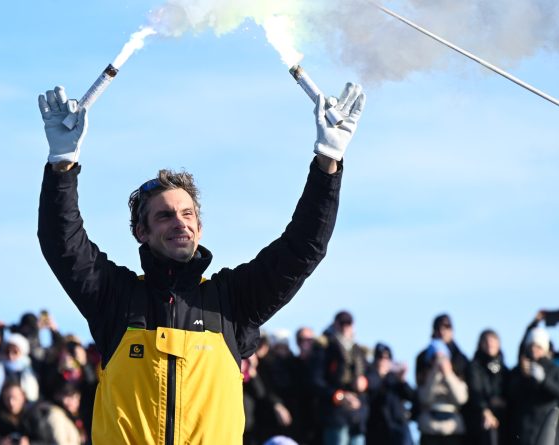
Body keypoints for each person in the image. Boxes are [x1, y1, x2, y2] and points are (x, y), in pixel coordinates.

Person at [37, 77, 365, 445]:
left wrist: (327, 165)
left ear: (200, 227)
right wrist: (61, 167)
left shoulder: (232, 302)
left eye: (188, 214)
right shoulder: (116, 298)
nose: (179, 222)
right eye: (164, 216)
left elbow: (303, 247)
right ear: (140, 232)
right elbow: (62, 243)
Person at [311, 311, 369, 445]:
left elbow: (369, 376)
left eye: (348, 324)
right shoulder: (325, 347)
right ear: (335, 324)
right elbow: (315, 380)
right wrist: (338, 396)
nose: (345, 327)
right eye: (342, 323)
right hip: (335, 415)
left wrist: (364, 383)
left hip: (357, 416)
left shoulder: (358, 350)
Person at [507, 326, 559, 445]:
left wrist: (544, 380)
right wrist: (523, 377)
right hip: (523, 431)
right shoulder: (519, 370)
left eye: (538, 346)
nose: (534, 349)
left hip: (546, 428)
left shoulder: (554, 369)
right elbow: (511, 394)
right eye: (531, 345)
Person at [415, 339, 468, 445]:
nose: (439, 361)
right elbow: (425, 399)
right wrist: (434, 375)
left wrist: (448, 375)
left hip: (453, 431)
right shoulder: (423, 379)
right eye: (435, 357)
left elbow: (461, 399)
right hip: (430, 431)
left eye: (443, 357)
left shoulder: (458, 378)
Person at [365, 343, 415, 445]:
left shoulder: (395, 379)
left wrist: (402, 380)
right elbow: (369, 395)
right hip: (376, 431)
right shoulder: (370, 376)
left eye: (387, 358)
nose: (383, 361)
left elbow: (412, 396)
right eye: (380, 358)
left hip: (397, 429)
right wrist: (379, 374)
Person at [466, 329, 508, 445]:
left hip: (503, 421)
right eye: (486, 341)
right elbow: (475, 392)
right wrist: (485, 410)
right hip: (479, 422)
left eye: (493, 341)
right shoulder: (474, 367)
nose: (490, 344)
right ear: (480, 344)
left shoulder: (504, 370)